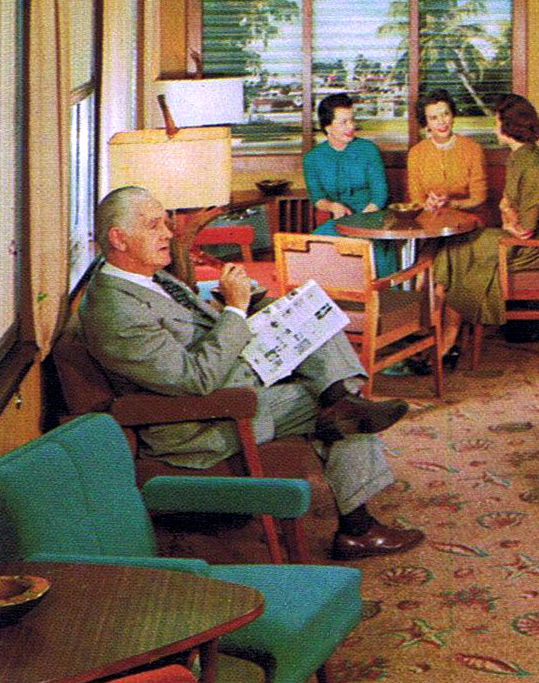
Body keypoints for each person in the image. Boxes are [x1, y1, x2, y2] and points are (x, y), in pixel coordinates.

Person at [78, 186, 426, 560]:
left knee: (310, 315)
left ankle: (340, 399)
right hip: (202, 420)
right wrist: (235, 310)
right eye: (153, 226)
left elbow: (186, 328)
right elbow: (194, 379)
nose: (167, 233)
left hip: (228, 378)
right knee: (332, 407)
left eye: (165, 223)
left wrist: (235, 301)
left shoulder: (144, 277)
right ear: (119, 239)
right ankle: (357, 525)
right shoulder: (114, 310)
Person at [433, 94, 539, 359]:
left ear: (509, 127)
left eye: (497, 123)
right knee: (453, 247)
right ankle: (444, 336)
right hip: (516, 237)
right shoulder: (520, 157)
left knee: (459, 252)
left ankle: (447, 339)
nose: (494, 129)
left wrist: (506, 211)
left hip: (530, 248)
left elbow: (525, 230)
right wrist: (507, 213)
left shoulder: (531, 167)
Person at [302, 92, 395, 275]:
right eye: (343, 122)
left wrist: (361, 221)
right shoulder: (312, 158)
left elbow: (380, 194)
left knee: (370, 252)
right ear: (327, 127)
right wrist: (332, 206)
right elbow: (317, 198)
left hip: (374, 216)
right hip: (340, 220)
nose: (351, 126)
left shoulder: (368, 149)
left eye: (352, 120)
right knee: (314, 247)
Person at [405, 88, 489, 218]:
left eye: (445, 114)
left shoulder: (473, 149)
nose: (441, 122)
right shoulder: (416, 153)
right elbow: (416, 199)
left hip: (467, 219)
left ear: (453, 116)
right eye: (433, 118)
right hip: (429, 218)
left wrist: (450, 204)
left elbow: (479, 198)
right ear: (426, 123)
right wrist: (426, 204)